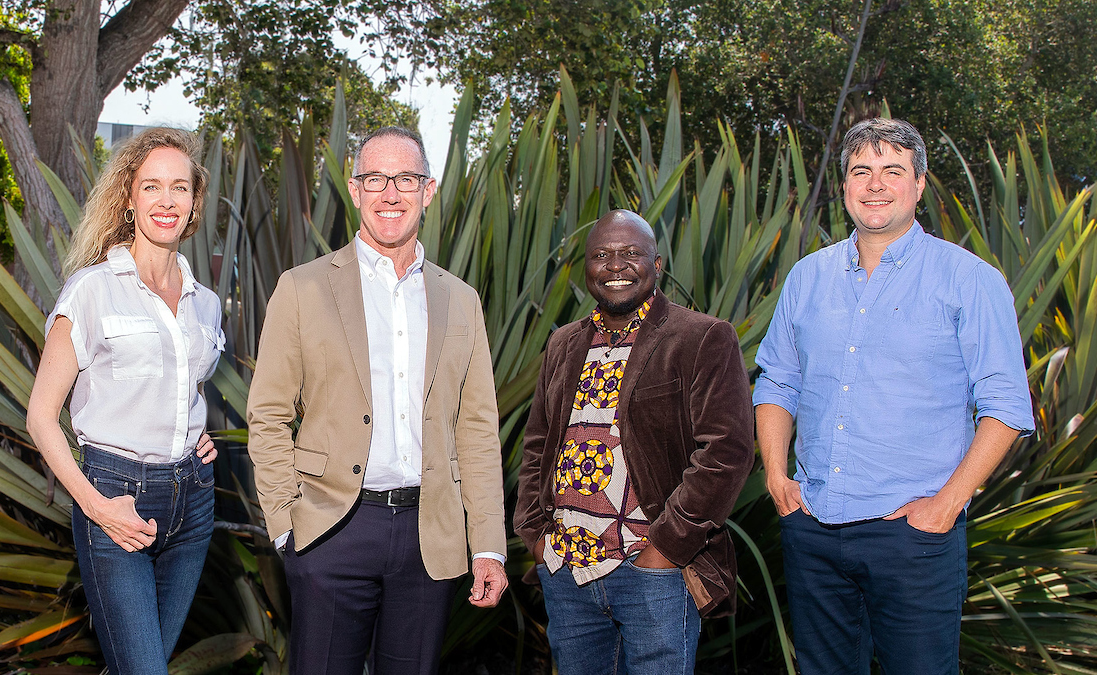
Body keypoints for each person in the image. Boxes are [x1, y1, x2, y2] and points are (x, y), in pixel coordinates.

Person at [753, 118, 1034, 674]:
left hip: (913, 537)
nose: (875, 184)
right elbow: (778, 380)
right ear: (845, 187)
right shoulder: (807, 278)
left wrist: (946, 506)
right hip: (814, 526)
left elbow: (1005, 406)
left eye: (892, 170)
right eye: (862, 170)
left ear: (920, 184)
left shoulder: (970, 281)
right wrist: (776, 479)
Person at [246, 126, 508, 675]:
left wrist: (488, 543)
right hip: (331, 530)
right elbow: (268, 415)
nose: (391, 192)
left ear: (428, 190)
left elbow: (477, 430)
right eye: (375, 178)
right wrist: (285, 524)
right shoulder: (303, 287)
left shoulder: (462, 300)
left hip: (428, 536)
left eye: (406, 178)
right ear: (354, 187)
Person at [513, 209, 754, 674]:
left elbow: (726, 451)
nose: (615, 265)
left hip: (651, 573)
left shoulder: (701, 337)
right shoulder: (563, 343)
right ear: (585, 269)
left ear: (657, 264)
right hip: (567, 570)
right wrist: (536, 535)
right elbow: (538, 445)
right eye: (601, 255)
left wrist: (664, 550)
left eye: (630, 254)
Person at [26, 128, 225, 675]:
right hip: (115, 497)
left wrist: (192, 430)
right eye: (152, 186)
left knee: (143, 665)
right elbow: (41, 417)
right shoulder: (91, 291)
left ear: (194, 203)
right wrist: (97, 507)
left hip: (194, 501)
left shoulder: (205, 304)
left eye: (179, 188)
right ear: (129, 198)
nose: (167, 200)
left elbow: (184, 384)